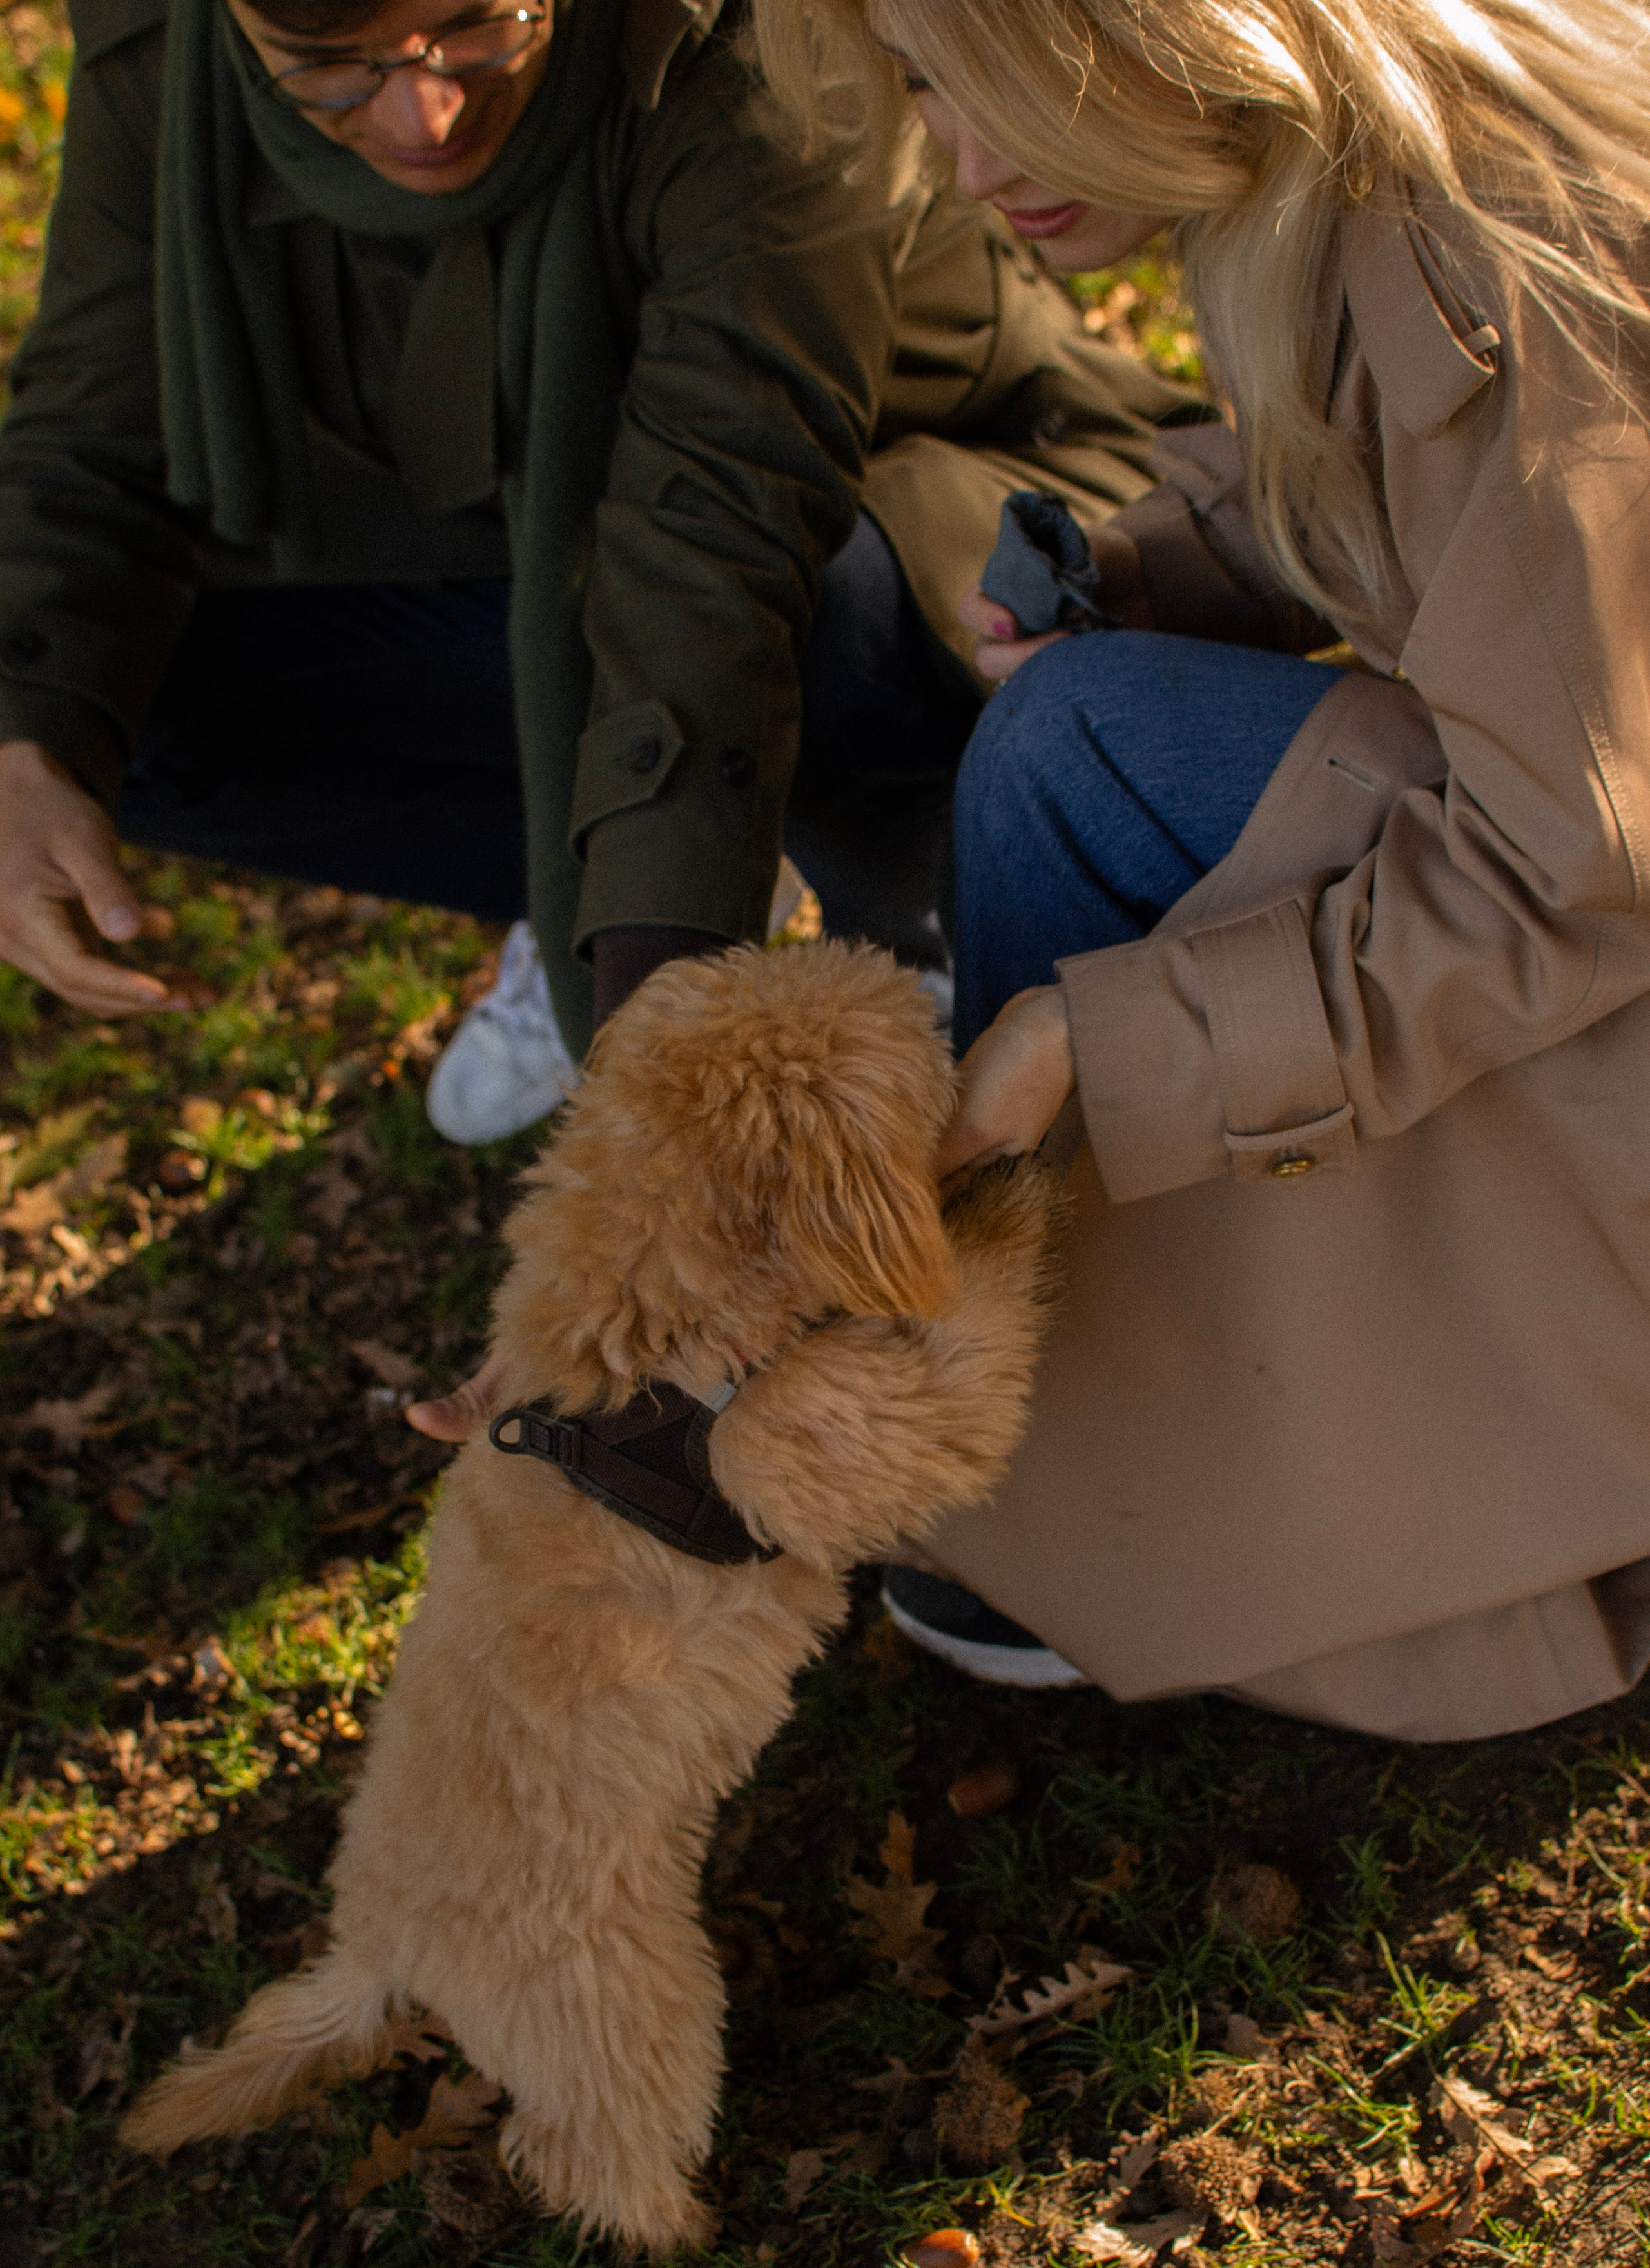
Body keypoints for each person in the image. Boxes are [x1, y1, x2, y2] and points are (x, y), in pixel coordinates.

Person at [742, 0, 1650, 1738]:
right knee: (1086, 734)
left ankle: (1073, 1470)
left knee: (1077, 755)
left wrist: (1108, 1036)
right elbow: (1446, 519)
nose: (973, 162)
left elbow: (1574, 875)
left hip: (1595, 932)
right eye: (935, 93)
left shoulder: (1484, 260)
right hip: (1580, 867)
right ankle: (1082, 1426)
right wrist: (1166, 565)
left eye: (1018, 89)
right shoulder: (1370, 160)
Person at [0, 0, 1206, 1144]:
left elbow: (723, 533)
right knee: (105, 699)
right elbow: (92, 426)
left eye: (477, 26)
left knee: (812, 620)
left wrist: (651, 1015)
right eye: (337, 66)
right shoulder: (176, 58)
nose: (424, 115)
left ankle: (873, 900)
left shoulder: (752, 51)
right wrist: (24, 739)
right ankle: (620, 860)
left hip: (895, 496)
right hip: (516, 557)